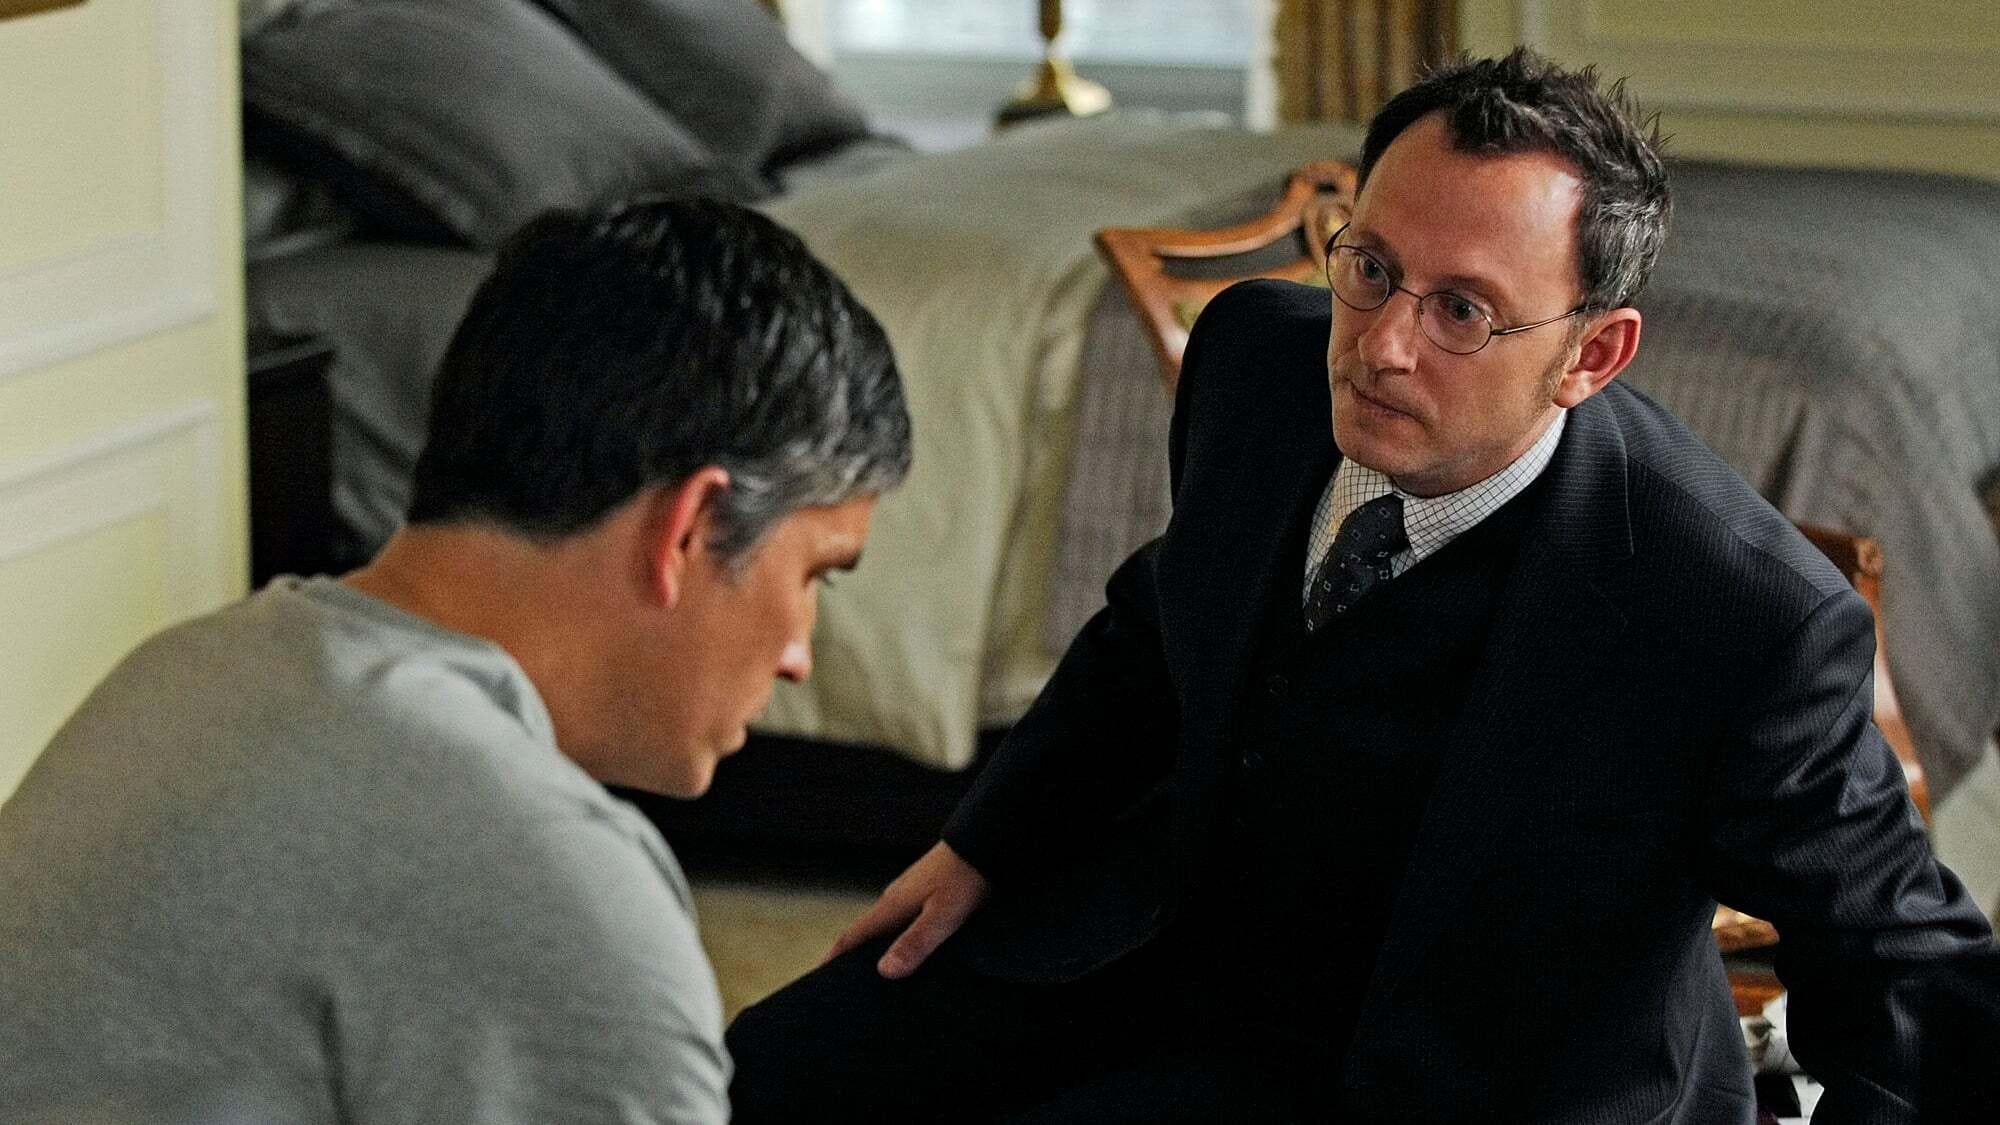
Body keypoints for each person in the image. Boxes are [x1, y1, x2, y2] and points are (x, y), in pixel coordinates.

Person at [726, 50, 1995, 1123]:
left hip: (1470, 1080)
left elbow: (1906, 970)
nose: (1380, 346)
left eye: (1462, 312)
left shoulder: (1737, 615)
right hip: (1157, 959)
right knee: (750, 1076)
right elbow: (1159, 618)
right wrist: (981, 843)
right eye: (1370, 267)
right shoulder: (1252, 362)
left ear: (1591, 355)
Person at [0, 198, 912, 1124]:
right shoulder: (544, 882)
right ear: (692, 529)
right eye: (815, 574)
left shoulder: (186, 674)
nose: (798, 657)